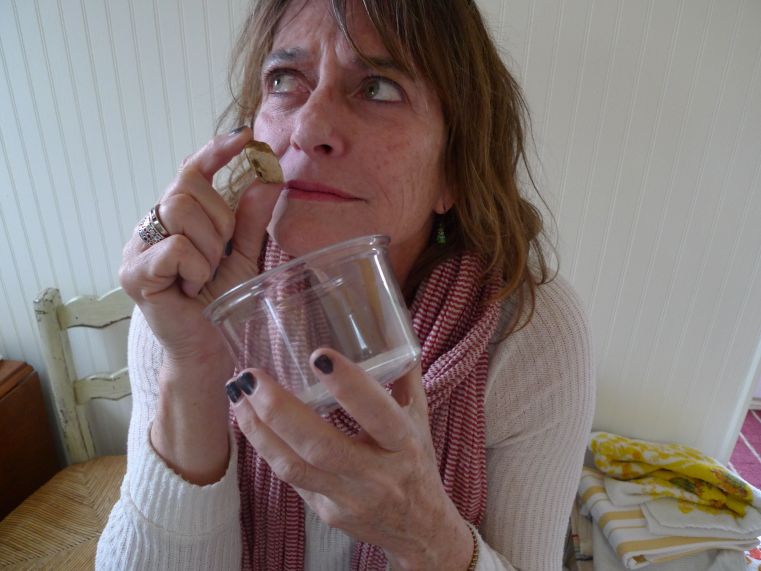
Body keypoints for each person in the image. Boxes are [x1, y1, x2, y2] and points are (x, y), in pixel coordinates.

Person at [97, 0, 594, 569]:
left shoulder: (529, 332)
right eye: (285, 80)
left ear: (454, 169)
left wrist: (428, 535)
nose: (308, 130)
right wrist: (193, 368)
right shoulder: (189, 300)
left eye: (378, 88)